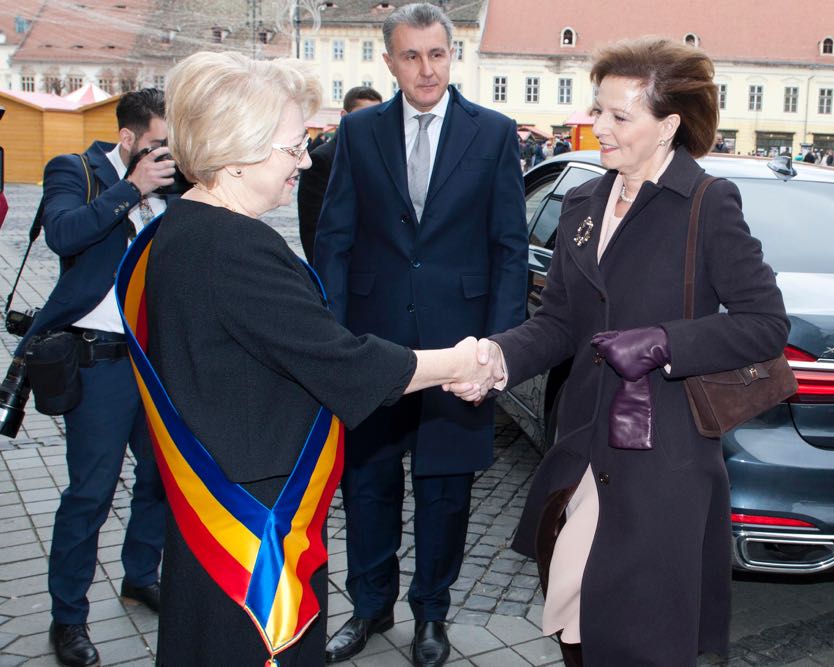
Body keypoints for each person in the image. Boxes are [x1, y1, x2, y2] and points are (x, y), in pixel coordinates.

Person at [134, 50, 498, 667]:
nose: (305, 163)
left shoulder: (183, 228)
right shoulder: (235, 249)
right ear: (236, 149)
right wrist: (461, 361)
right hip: (252, 520)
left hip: (215, 497)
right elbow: (344, 362)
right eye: (292, 147)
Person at [455, 37, 789, 666]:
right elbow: (558, 324)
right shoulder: (583, 200)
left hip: (663, 456)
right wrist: (495, 361)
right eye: (597, 109)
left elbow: (765, 323)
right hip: (582, 442)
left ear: (668, 125)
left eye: (618, 116)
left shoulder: (707, 204)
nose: (597, 126)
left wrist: (666, 342)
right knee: (575, 611)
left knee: (639, 631)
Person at [313, 3, 527, 666]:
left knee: (446, 491)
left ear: (451, 55)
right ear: (390, 62)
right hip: (373, 347)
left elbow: (509, 247)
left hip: (458, 351)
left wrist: (497, 349)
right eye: (411, 56)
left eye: (436, 54)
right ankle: (369, 607)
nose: (425, 68)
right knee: (368, 484)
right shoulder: (360, 133)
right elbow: (335, 238)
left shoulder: (491, 133)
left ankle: (431, 613)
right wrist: (331, 339)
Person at [19, 89, 174, 667]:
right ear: (130, 140)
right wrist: (132, 187)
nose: (166, 157)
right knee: (90, 493)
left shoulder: (171, 185)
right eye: (157, 145)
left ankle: (140, 574)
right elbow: (63, 234)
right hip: (100, 360)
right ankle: (69, 619)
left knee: (159, 479)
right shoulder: (76, 171)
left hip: (157, 361)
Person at [297, 86, 383, 263]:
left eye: (377, 116)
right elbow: (313, 230)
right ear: (344, 116)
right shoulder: (322, 159)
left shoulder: (383, 155)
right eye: (363, 115)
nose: (371, 122)